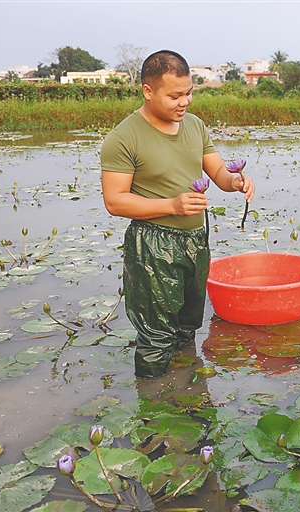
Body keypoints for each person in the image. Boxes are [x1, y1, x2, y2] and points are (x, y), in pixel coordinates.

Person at [100, 50, 255, 379]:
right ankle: (154, 410)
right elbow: (114, 201)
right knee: (156, 338)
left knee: (187, 327)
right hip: (153, 247)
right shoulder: (123, 138)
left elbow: (219, 174)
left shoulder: (195, 126)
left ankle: (186, 394)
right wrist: (172, 205)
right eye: (174, 96)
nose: (184, 102)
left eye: (188, 93)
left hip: (196, 242)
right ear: (148, 91)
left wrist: (236, 181)